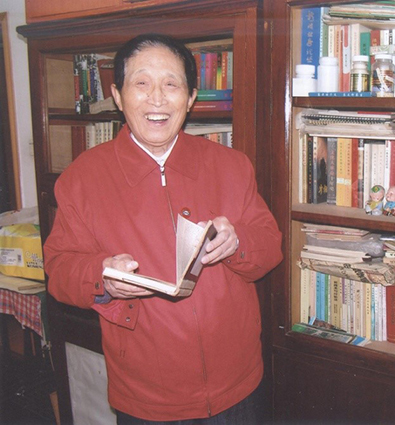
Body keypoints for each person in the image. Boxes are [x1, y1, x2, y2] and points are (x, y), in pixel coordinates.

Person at [43, 33, 283, 424]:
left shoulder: (231, 165)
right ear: (118, 95)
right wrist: (102, 276)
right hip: (147, 394)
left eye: (171, 84)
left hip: (238, 383)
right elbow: (59, 268)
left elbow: (270, 247)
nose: (157, 98)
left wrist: (237, 241)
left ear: (190, 99)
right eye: (141, 83)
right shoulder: (82, 179)